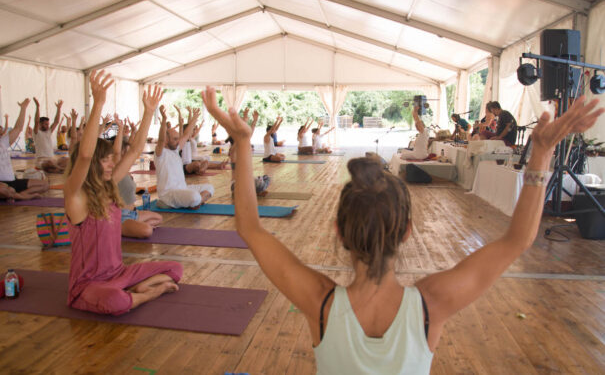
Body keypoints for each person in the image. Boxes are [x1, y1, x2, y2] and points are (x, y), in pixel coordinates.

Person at [203, 85, 603, 373]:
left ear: (340, 232)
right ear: (408, 231)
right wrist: (542, 155)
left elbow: (250, 228)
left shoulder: (321, 305)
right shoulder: (431, 306)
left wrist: (241, 142)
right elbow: (518, 239)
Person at [64, 71, 182, 316]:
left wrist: (149, 111)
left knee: (175, 269)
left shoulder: (109, 189)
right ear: (92, 164)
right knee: (115, 301)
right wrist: (98, 103)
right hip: (89, 284)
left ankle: (136, 289)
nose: (111, 164)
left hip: (119, 274)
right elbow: (85, 155)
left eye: (110, 160)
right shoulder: (76, 198)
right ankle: (148, 292)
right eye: (105, 161)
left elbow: (135, 149)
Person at [112, 87, 164, 239]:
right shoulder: (114, 170)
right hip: (120, 216)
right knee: (147, 230)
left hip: (132, 213)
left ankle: (133, 226)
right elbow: (126, 150)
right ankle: (120, 228)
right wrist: (122, 129)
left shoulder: (123, 169)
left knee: (158, 219)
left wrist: (148, 112)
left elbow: (135, 148)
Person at [155, 105, 214, 209]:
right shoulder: (160, 153)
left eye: (178, 139)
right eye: (175, 139)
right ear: (166, 140)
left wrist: (194, 118)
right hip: (169, 193)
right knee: (194, 196)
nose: (178, 141)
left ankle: (196, 202)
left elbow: (186, 134)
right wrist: (164, 119)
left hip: (183, 188)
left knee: (210, 187)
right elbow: (160, 139)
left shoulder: (176, 150)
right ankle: (195, 201)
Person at [0, 98, 49, 199]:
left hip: (13, 181)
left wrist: (23, 108)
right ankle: (21, 196)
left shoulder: (3, 142)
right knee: (5, 190)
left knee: (45, 185)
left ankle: (17, 195)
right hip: (2, 184)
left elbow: (18, 128)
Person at [33, 97, 68, 173]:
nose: (47, 125)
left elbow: (56, 121)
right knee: (49, 164)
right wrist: (37, 107)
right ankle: (57, 169)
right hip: (41, 159)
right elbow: (36, 121)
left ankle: (57, 169)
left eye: (48, 124)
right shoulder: (36, 132)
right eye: (45, 124)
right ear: (40, 124)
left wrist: (59, 108)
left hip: (51, 158)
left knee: (65, 160)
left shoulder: (48, 131)